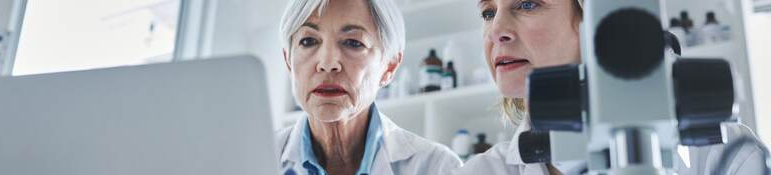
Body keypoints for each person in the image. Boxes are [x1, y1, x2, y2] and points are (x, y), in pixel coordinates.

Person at [454, 0, 767, 174]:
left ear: (595, 20)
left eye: (527, 4)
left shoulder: (725, 155)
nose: (496, 31)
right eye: (488, 12)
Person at [274, 0, 462, 174]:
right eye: (308, 41)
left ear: (389, 66)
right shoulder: (253, 160)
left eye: (353, 42)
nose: (328, 62)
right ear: (288, 61)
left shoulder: (439, 167)